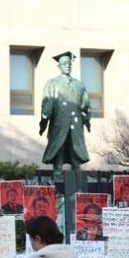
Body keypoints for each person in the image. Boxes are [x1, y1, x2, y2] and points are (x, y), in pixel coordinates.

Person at [39, 51, 91, 182]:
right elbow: (48, 103)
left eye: (69, 63)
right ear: (59, 66)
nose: (67, 66)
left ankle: (77, 180)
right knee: (59, 150)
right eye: (64, 64)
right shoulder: (52, 84)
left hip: (75, 125)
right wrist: (44, 119)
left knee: (75, 152)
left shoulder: (79, 85)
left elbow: (85, 105)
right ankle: (57, 178)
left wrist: (86, 118)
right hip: (59, 124)